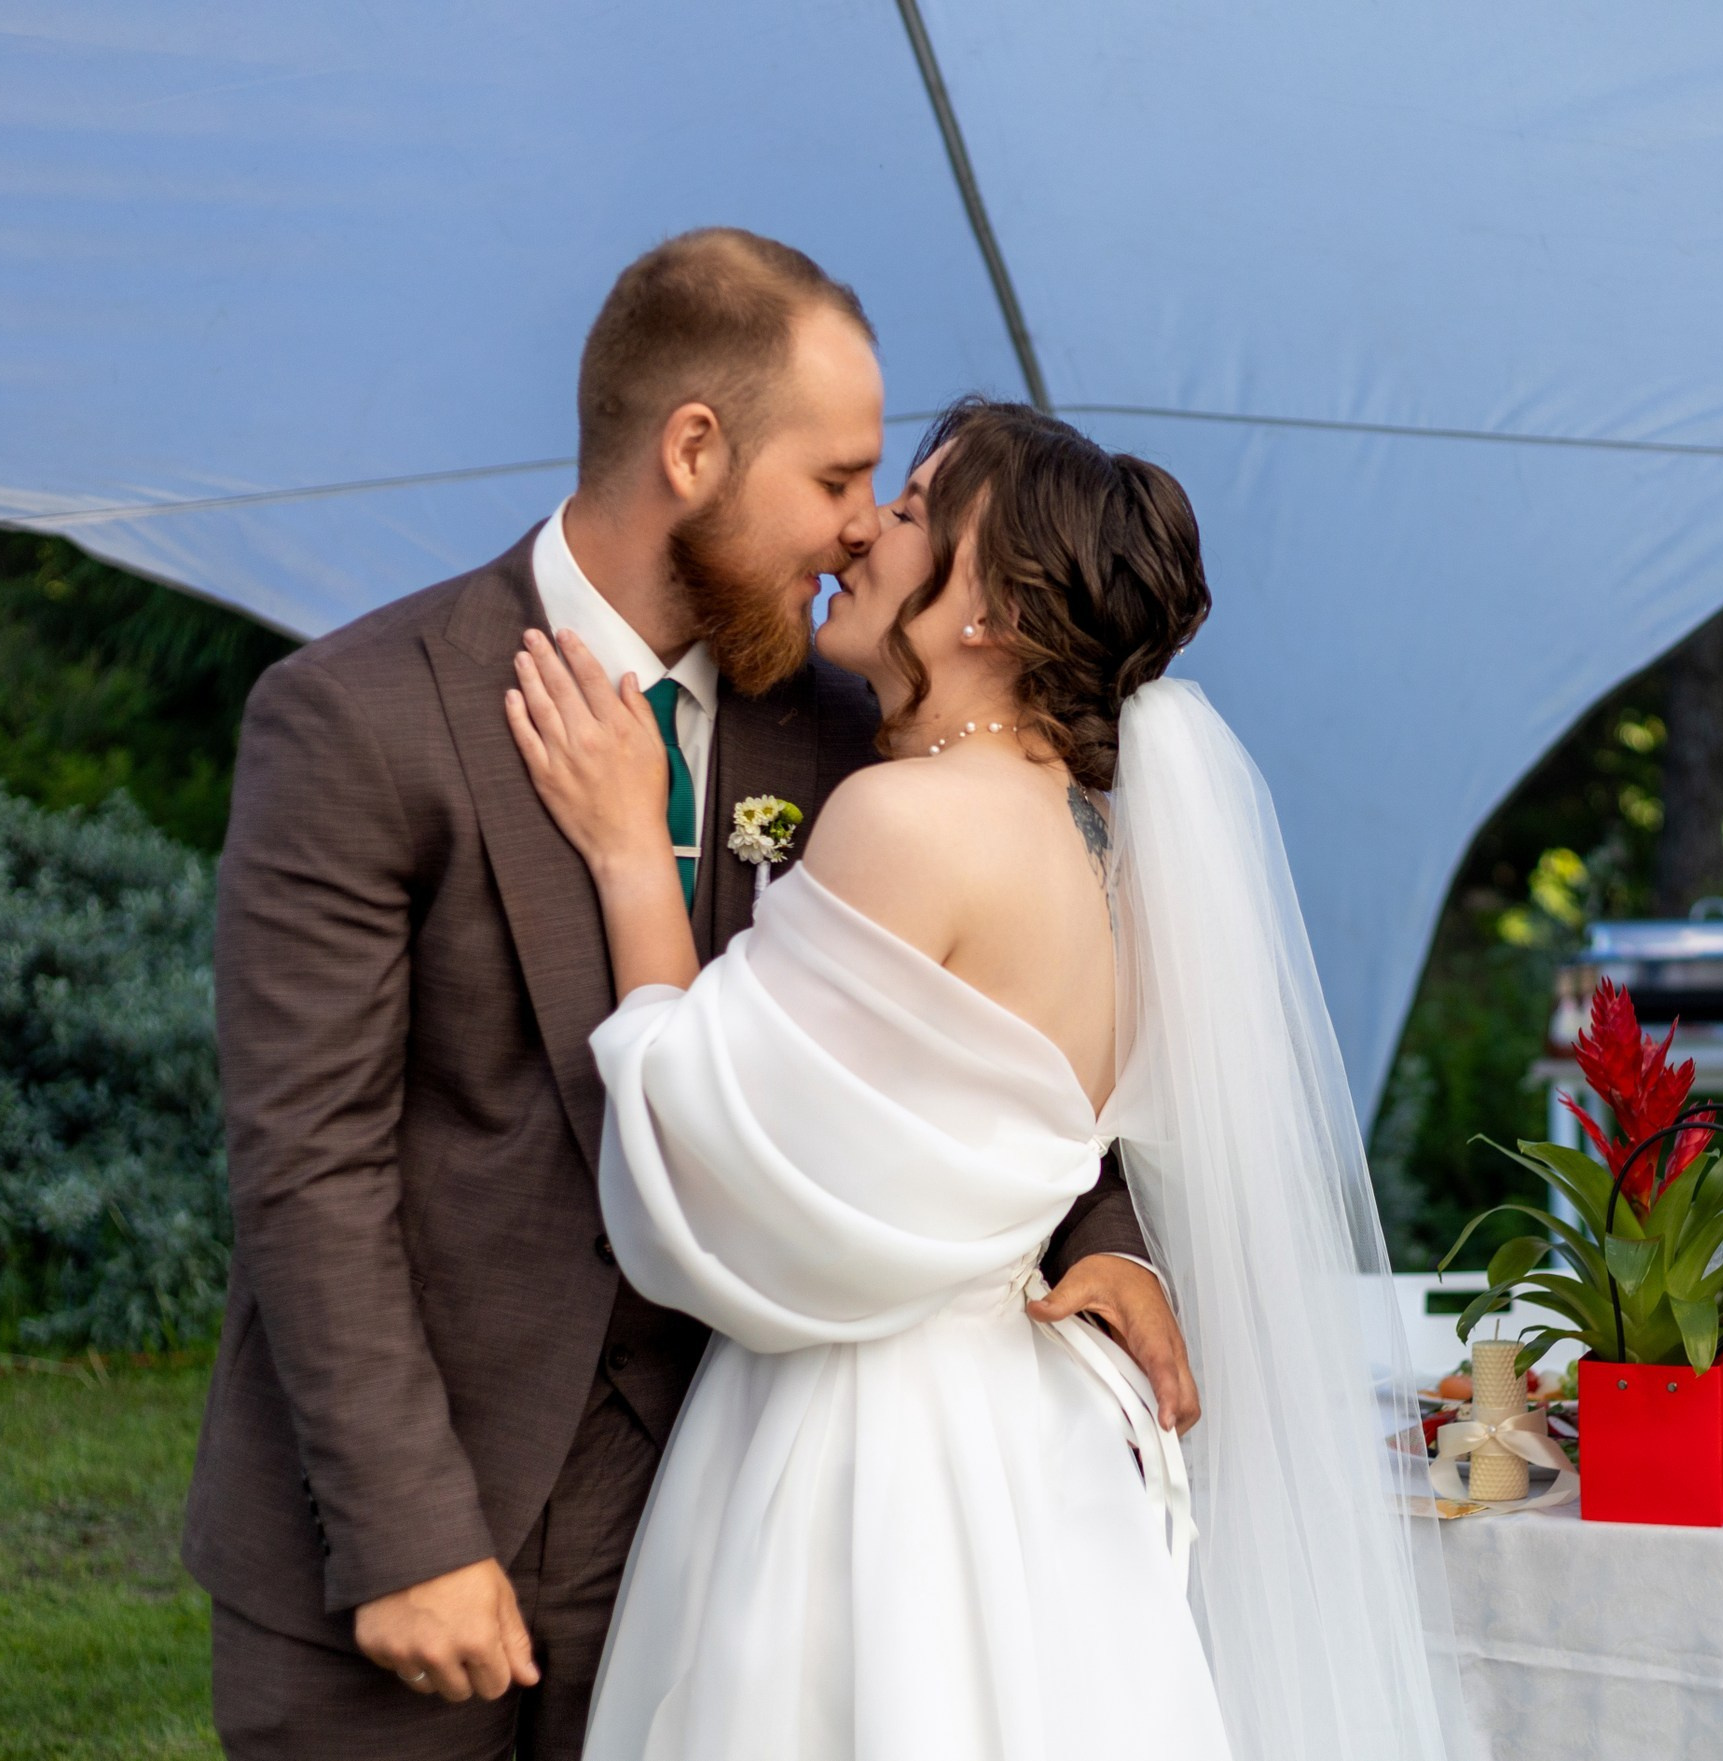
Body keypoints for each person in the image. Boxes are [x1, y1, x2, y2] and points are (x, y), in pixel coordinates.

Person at [181, 231, 1188, 1761]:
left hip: (715, 1536)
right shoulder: (358, 719)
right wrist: (401, 1531)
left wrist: (1107, 1241)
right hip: (404, 1543)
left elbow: (966, 1043)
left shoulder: (868, 726)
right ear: (696, 449)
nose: (860, 532)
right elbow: (309, 1163)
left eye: (884, 496)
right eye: (841, 479)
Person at [508, 399, 1461, 1759]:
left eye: (912, 513)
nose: (867, 531)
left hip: (865, 1450)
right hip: (1026, 1438)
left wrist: (626, 851)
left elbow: (699, 1145)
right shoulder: (1094, 850)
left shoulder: (907, 820)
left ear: (990, 612)